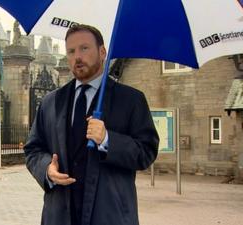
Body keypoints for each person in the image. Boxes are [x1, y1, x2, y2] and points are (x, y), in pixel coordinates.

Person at [24, 24, 159, 225]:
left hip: (110, 215)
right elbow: (33, 149)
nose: (77, 56)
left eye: (84, 48)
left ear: (102, 52)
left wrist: (107, 139)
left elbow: (146, 152)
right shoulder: (51, 102)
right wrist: (46, 170)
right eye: (71, 51)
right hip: (60, 216)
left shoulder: (131, 100)